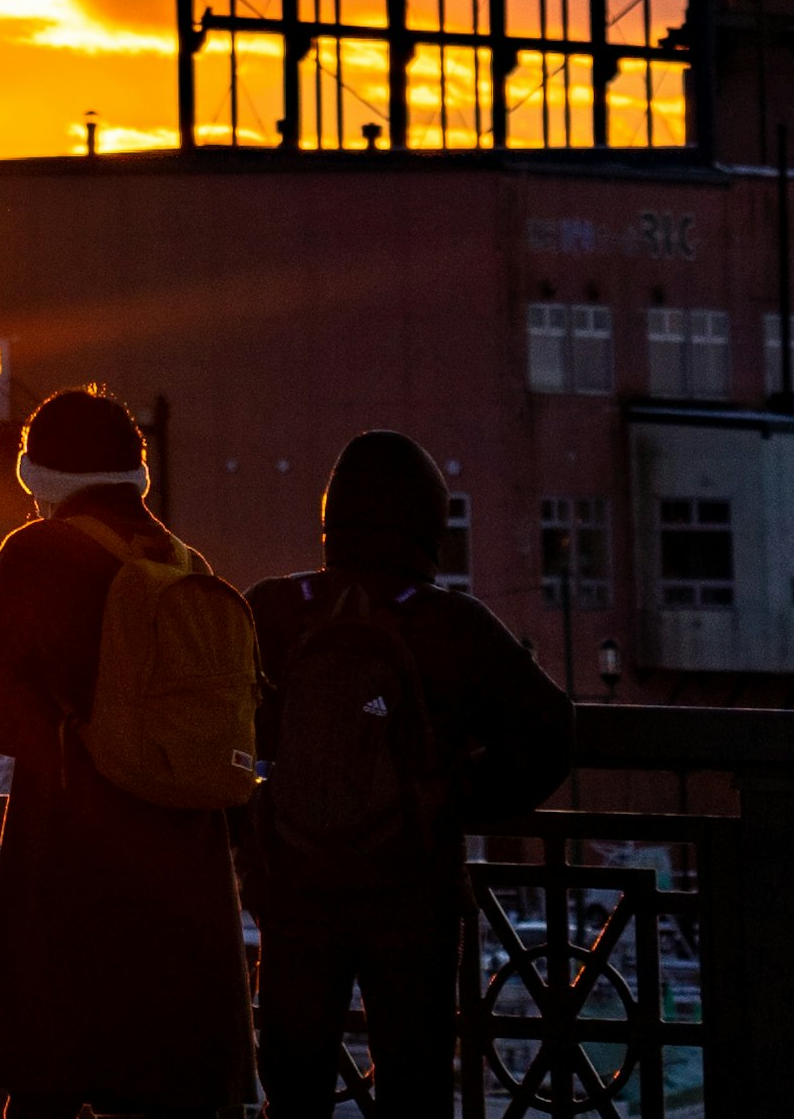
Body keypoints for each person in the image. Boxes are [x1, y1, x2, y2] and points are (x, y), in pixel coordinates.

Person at [0, 384, 258, 1117]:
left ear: (41, 477)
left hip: (74, 867)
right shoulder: (185, 561)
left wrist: (64, 743)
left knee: (51, 1085)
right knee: (174, 1093)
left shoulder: (40, 552)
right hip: (188, 872)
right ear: (134, 473)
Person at [239, 431, 569, 1119]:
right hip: (411, 893)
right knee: (415, 1086)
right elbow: (549, 731)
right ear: (430, 523)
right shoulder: (455, 624)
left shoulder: (273, 607)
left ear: (332, 515)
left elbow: (217, 729)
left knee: (293, 1088)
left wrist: (256, 818)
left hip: (295, 890)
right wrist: (452, 800)